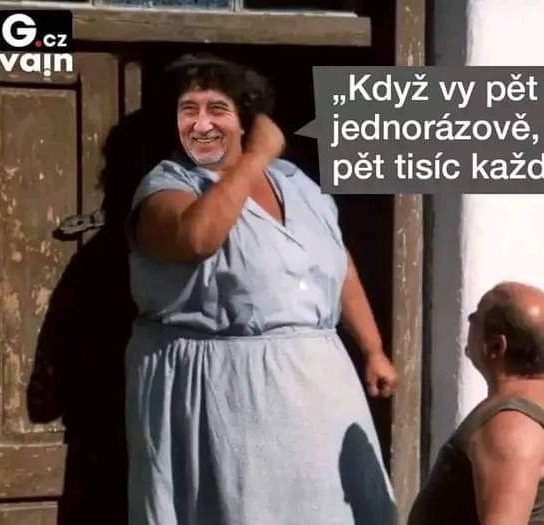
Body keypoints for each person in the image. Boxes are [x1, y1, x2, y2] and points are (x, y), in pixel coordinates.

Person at [124, 54, 398, 525]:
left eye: (217, 109)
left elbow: (334, 260)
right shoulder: (168, 186)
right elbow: (196, 238)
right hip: (230, 394)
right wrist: (254, 158)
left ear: (245, 117)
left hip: (321, 386)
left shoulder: (295, 182)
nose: (202, 124)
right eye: (189, 111)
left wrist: (372, 348)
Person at [409, 282, 544, 525]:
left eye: (475, 317)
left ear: (496, 346)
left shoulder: (512, 428)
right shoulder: (542, 393)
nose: (469, 321)